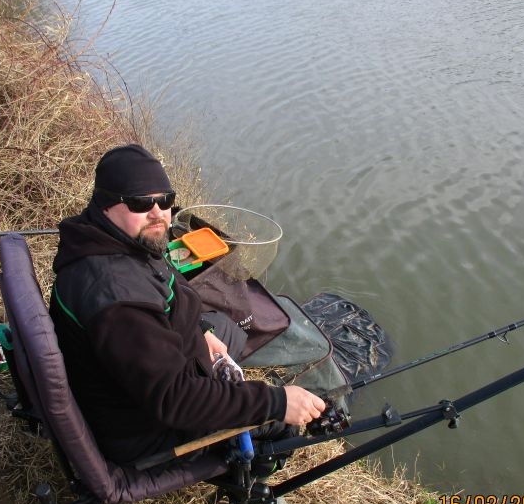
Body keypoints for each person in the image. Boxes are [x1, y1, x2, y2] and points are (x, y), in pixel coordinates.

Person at [49, 144, 325, 469]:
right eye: (140, 203)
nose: (158, 214)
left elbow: (168, 292)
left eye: (165, 200)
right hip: (143, 430)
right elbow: (177, 400)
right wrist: (276, 402)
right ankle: (251, 478)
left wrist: (202, 331)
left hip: (145, 375)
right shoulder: (119, 301)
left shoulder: (113, 239)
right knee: (282, 424)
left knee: (226, 328)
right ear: (106, 204)